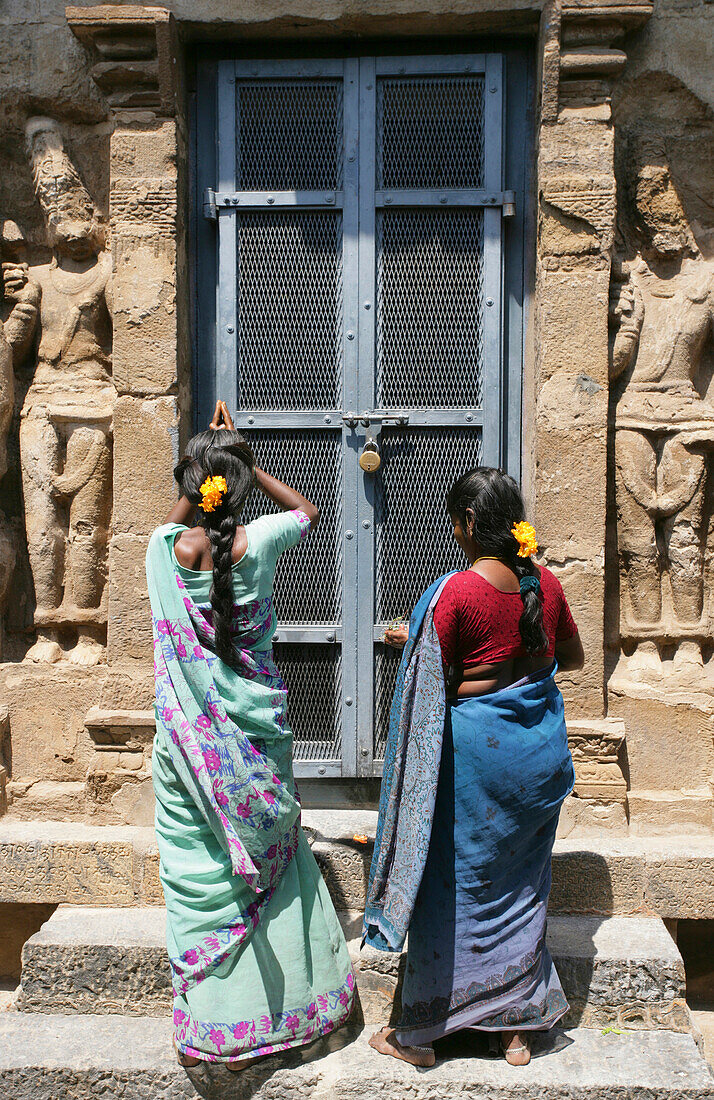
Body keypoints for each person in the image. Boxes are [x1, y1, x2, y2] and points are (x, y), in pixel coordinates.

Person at [146, 400, 355, 1069]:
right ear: (237, 483)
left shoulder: (165, 553)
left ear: (192, 483)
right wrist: (249, 461)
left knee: (199, 863)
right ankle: (293, 1007)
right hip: (260, 734)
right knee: (270, 864)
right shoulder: (259, 541)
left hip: (189, 746)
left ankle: (217, 1023)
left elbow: (168, 522)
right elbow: (309, 513)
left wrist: (204, 463)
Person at [364, 467, 584, 1068]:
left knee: (451, 887)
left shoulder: (456, 592)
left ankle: (419, 1035)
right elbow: (573, 657)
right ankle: (516, 1030)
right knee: (521, 888)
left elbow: (433, 675)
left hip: (476, 762)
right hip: (538, 756)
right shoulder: (548, 586)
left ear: (464, 526)